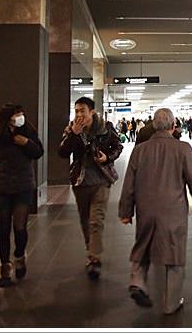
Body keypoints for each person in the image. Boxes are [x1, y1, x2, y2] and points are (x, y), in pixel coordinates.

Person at [119, 108, 192, 314]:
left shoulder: (139, 150)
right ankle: (171, 303)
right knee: (173, 253)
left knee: (143, 245)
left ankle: (137, 281)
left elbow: (129, 183)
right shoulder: (182, 148)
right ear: (173, 126)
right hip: (173, 209)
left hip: (146, 208)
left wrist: (126, 210)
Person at [0, 103, 44, 287]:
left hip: (23, 186)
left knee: (20, 227)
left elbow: (39, 152)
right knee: (4, 229)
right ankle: (5, 267)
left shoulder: (28, 131)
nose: (20, 116)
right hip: (1, 188)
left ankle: (20, 255)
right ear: (8, 117)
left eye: (21, 113)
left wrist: (26, 143)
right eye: (16, 114)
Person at [58, 96, 123, 280]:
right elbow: (62, 152)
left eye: (82, 111)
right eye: (76, 110)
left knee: (97, 219)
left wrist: (107, 157)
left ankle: (95, 258)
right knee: (85, 219)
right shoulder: (71, 129)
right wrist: (73, 135)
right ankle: (90, 250)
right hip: (80, 181)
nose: (79, 114)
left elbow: (118, 146)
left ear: (91, 112)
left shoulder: (105, 127)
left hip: (101, 179)